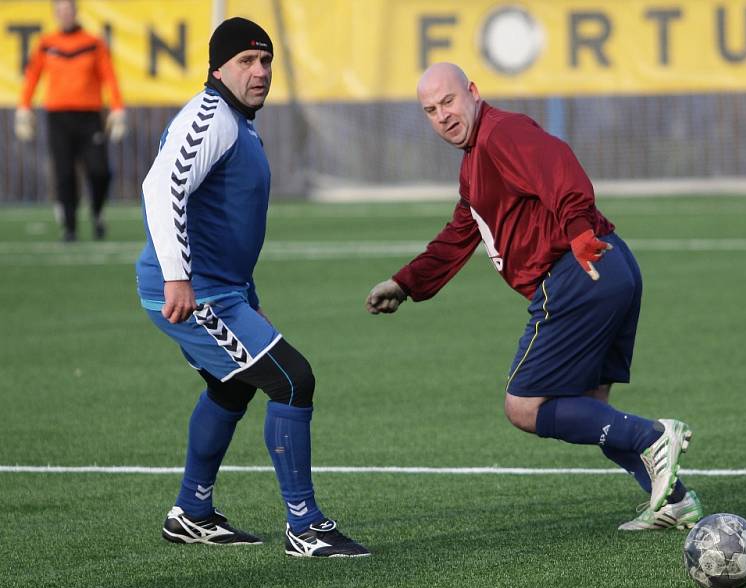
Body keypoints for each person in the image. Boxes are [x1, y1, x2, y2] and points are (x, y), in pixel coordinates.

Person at [366, 62, 703, 531]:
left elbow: (559, 166)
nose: (442, 115)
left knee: (524, 407)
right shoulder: (475, 165)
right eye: (430, 110)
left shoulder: (501, 133)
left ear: (473, 92)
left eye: (448, 101)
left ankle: (652, 435)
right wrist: (405, 283)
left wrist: (579, 232)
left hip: (578, 269)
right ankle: (674, 501)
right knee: (589, 406)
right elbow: (460, 235)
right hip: (612, 268)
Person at [135, 17, 369, 556]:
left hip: (224, 287)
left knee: (232, 386)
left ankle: (191, 512)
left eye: (265, 61)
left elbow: (219, 217)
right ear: (217, 68)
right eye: (246, 61)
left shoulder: (237, 118)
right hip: (196, 291)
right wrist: (177, 276)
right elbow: (159, 188)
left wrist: (243, 291)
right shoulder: (211, 116)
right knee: (292, 380)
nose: (260, 71)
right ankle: (305, 526)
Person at [15, 0, 126, 242]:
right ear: (55, 14)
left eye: (69, 10)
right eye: (60, 10)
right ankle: (70, 226)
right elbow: (33, 76)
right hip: (58, 117)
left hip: (89, 117)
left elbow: (109, 76)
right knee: (64, 173)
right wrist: (24, 108)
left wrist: (118, 109)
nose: (65, 15)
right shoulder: (46, 44)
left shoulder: (93, 42)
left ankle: (97, 212)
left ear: (76, 12)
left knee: (99, 170)